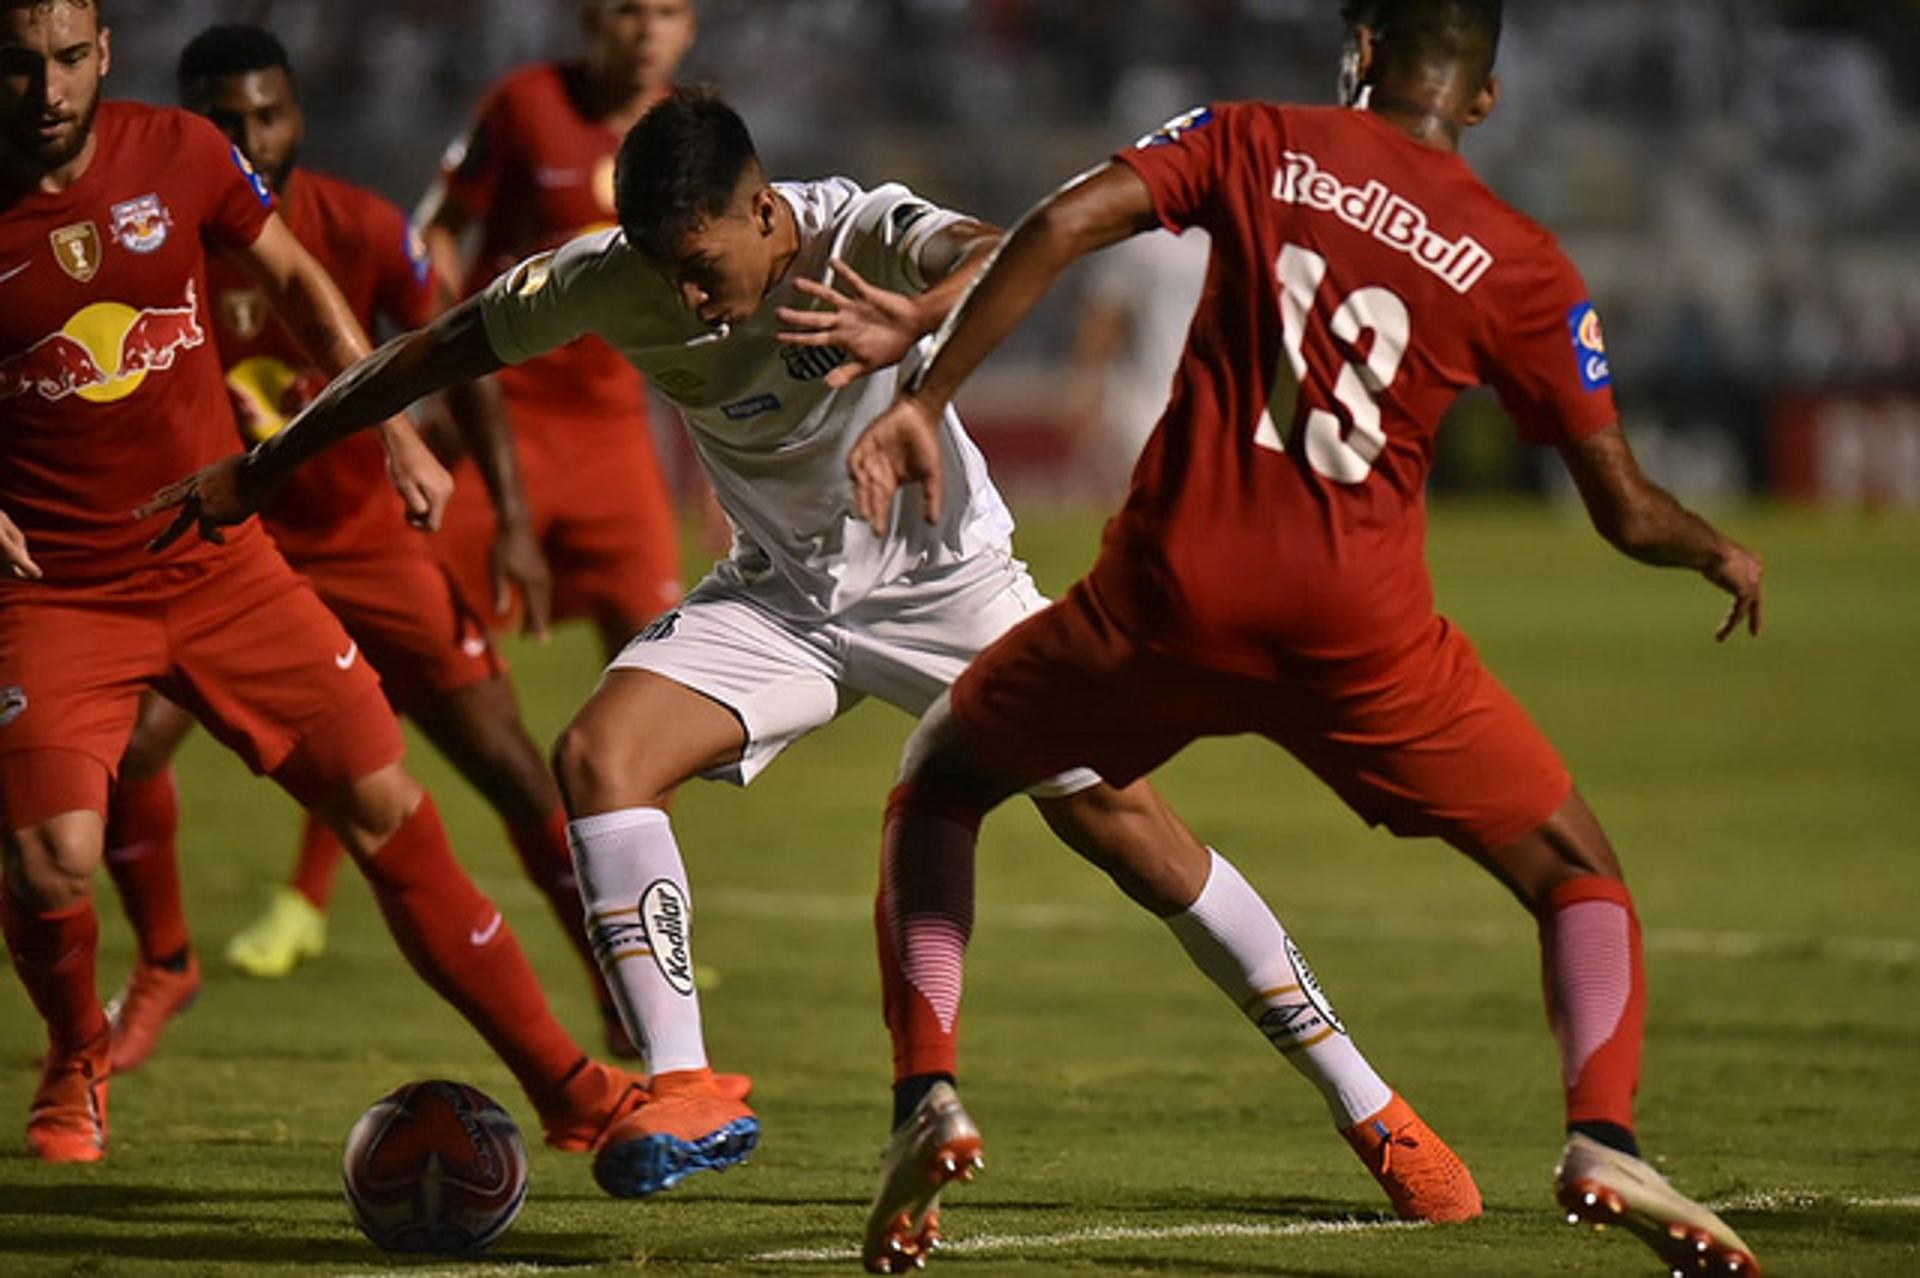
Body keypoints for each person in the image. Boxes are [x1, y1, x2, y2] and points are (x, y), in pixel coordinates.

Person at [145, 90, 1481, 1225]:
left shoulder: (861, 229)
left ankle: (1373, 1107)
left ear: (769, 210)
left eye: (700, 258)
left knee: (1131, 832)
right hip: (782, 601)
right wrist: (266, 466)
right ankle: (685, 1079)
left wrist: (920, 320)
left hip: (955, 590)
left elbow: (1016, 248)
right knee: (598, 753)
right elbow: (431, 351)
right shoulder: (609, 277)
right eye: (660, 262)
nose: (681, 291)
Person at [842, 1, 1766, 1273]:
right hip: (1361, 631)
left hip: (1173, 593)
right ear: (1484, 99)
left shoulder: (1262, 141)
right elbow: (1622, 508)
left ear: (1364, 53)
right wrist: (1711, 545)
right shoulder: (1521, 259)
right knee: (1575, 873)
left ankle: (926, 1095)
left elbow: (1058, 224)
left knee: (944, 774)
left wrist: (926, 394)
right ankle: (1602, 1132)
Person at [0, 0, 653, 1169]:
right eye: (17, 65)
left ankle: (568, 1083)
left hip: (222, 566)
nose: (45, 91)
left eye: (66, 61)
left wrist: (390, 425)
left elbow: (299, 279)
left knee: (393, 809)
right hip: (56, 593)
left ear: (103, 54)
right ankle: (75, 1047)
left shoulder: (185, 156)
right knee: (50, 856)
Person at [416, 0, 695, 654]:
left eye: (667, 12)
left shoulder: (689, 133)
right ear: (593, 21)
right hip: (502, 417)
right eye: (630, 11)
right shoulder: (525, 104)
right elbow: (437, 229)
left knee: (665, 659)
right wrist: (445, 357)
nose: (648, 29)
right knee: (424, 634)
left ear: (690, 29)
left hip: (613, 425)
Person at [1062, 226, 1209, 500]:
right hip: (1150, 398)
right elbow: (1107, 312)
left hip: (1218, 402)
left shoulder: (1247, 230)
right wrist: (1086, 384)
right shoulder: (1147, 241)